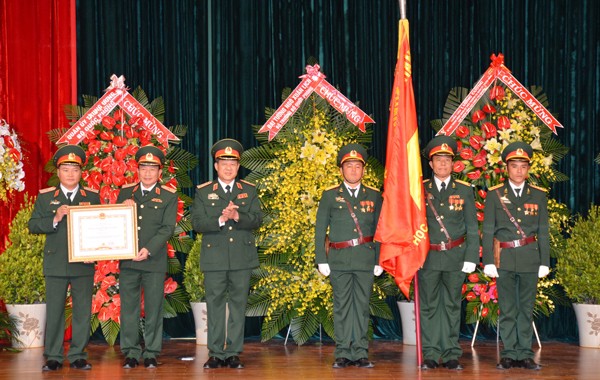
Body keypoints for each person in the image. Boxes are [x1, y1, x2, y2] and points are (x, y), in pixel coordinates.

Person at [191, 138, 262, 369]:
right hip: (215, 258)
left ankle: (233, 352)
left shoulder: (248, 191)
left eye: (233, 163)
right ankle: (215, 353)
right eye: (224, 163)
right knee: (215, 305)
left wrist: (237, 217)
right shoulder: (204, 192)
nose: (229, 167)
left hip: (241, 258)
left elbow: (258, 220)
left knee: (238, 305)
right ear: (216, 166)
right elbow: (197, 223)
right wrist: (221, 219)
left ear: (238, 166)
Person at [28, 145, 100, 371]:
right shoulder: (46, 197)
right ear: (57, 172)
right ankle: (54, 356)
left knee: (82, 311)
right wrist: (55, 217)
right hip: (56, 262)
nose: (70, 174)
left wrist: (96, 252)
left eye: (75, 169)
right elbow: (33, 225)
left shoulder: (92, 197)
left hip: (83, 263)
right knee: (56, 310)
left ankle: (78, 355)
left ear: (81, 173)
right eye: (66, 169)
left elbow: (101, 230)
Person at [314, 143, 383, 369]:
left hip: (365, 258)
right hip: (339, 258)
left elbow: (381, 230)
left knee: (362, 306)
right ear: (341, 170)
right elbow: (319, 230)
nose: (353, 170)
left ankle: (361, 352)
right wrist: (321, 260)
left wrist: (379, 260)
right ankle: (343, 351)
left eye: (357, 166)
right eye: (349, 166)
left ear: (363, 170)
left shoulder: (374, 195)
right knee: (342, 306)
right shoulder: (330, 195)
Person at [482, 141, 549, 371]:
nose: (519, 171)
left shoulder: (539, 196)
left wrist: (545, 261)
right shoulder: (495, 195)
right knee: (508, 308)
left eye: (523, 166)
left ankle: (525, 354)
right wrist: (489, 261)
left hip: (530, 258)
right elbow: (488, 230)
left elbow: (543, 231)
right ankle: (510, 353)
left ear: (528, 169)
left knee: (526, 308)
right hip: (506, 259)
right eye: (514, 166)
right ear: (506, 168)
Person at [418, 136, 479, 370]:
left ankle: (452, 352)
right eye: (438, 160)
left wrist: (472, 257)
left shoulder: (463, 190)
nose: (442, 165)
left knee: (452, 305)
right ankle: (431, 353)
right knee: (430, 306)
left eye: (447, 160)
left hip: (456, 256)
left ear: (453, 164)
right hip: (429, 257)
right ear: (430, 164)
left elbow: (472, 227)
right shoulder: (420, 189)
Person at [117, 145, 177, 369]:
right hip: (128, 259)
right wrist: (122, 208)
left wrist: (148, 249)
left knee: (153, 308)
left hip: (153, 259)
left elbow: (167, 228)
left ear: (160, 172)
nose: (148, 172)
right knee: (129, 309)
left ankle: (151, 351)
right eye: (144, 167)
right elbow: (113, 223)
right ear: (138, 169)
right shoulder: (125, 193)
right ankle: (131, 352)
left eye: (153, 168)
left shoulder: (168, 196)